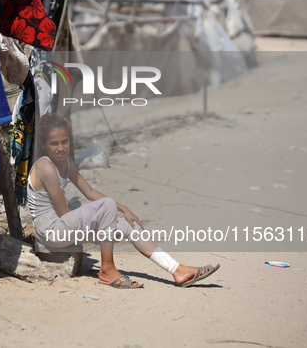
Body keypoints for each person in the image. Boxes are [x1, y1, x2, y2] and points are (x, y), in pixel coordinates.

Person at [27, 113, 220, 289]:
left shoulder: (66, 161)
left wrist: (123, 209)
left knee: (129, 225)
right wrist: (101, 224)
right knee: (107, 206)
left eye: (65, 141)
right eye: (54, 143)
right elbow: (64, 213)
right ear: (44, 144)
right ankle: (107, 270)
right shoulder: (46, 167)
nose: (61, 148)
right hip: (51, 231)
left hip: (64, 226)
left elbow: (89, 191)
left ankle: (178, 271)